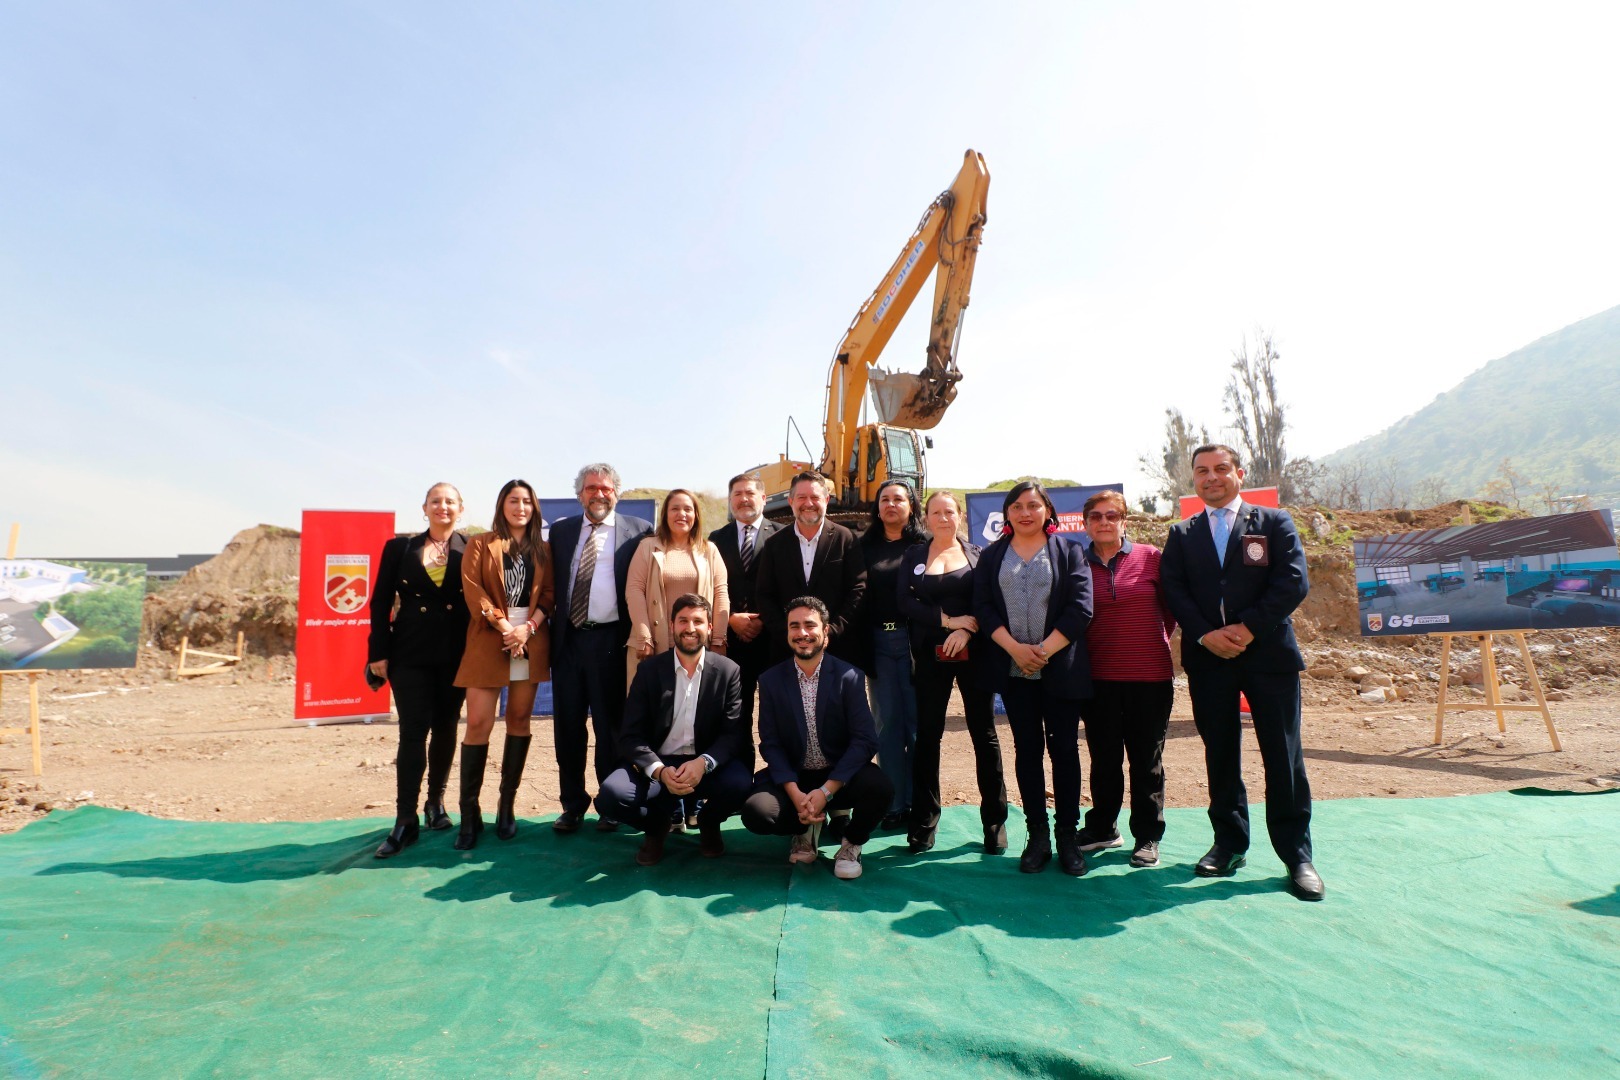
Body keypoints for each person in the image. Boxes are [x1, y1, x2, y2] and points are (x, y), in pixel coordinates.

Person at [1160, 444, 1322, 901]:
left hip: (1268, 657)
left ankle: (1297, 856)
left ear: (1239, 473)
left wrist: (1249, 629)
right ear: (1193, 478)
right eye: (1202, 471)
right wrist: (1205, 635)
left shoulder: (1273, 522)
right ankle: (1229, 844)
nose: (1211, 478)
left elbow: (1293, 582)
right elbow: (1174, 590)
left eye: (1220, 469)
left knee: (1283, 757)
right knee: (1221, 754)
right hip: (1209, 661)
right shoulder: (1182, 532)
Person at [973, 480, 1094, 876]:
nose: (1025, 512)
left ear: (1047, 511)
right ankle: (1037, 836)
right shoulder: (992, 557)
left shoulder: (1070, 551)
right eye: (1017, 506)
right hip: (1013, 671)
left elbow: (1081, 608)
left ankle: (1066, 837)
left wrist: (1042, 652)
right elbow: (984, 608)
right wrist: (1015, 650)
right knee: (1027, 753)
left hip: (1059, 669)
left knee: (1065, 753)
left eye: (1033, 505)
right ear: (1007, 514)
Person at [594, 595, 754, 865]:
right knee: (611, 796)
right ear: (672, 626)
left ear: (710, 628)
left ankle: (708, 822)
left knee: (740, 785)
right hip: (660, 765)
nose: (690, 628)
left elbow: (733, 733)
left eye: (698, 621)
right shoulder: (648, 671)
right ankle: (656, 827)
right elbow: (630, 736)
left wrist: (703, 764)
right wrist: (659, 771)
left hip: (703, 765)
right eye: (683, 621)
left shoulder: (729, 671)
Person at [741, 597, 892, 880]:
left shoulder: (849, 676)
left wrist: (826, 792)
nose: (802, 633)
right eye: (794, 626)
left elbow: (865, 741)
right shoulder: (771, 680)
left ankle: (851, 843)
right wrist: (796, 794)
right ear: (787, 634)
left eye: (810, 625)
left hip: (838, 777)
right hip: (796, 778)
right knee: (757, 812)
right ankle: (803, 830)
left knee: (880, 788)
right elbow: (770, 743)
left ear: (825, 632)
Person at [898, 490, 1008, 855]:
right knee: (928, 738)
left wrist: (966, 629)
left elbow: (988, 600)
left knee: (983, 734)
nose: (943, 518)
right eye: (936, 512)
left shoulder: (980, 555)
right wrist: (947, 622)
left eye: (949, 512)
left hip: (975, 655)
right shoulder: (913, 555)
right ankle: (923, 824)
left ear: (959, 516)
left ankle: (995, 822)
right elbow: (905, 602)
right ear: (926, 518)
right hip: (930, 657)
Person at [548, 463, 654, 834]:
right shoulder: (560, 533)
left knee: (611, 730)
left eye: (606, 488)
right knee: (568, 729)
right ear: (580, 495)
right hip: (569, 642)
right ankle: (572, 805)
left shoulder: (638, 532)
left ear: (617, 493)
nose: (599, 494)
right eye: (591, 488)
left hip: (613, 641)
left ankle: (610, 806)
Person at [367, 482, 471, 858]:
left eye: (450, 502)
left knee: (446, 728)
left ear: (461, 509)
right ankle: (404, 819)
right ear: (424, 508)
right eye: (436, 501)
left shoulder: (472, 548)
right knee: (413, 732)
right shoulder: (400, 548)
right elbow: (379, 602)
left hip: (455, 654)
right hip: (408, 653)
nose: (443, 507)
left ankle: (435, 803)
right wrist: (377, 651)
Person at [1073, 490, 1176, 869]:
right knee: (1104, 759)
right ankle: (1103, 828)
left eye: (1111, 516)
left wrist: (1145, 645)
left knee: (1146, 760)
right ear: (1085, 523)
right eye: (1096, 516)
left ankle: (1147, 836)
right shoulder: (1075, 563)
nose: (1104, 522)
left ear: (1124, 521)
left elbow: (1170, 613)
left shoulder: (1151, 558)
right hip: (1097, 678)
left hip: (1149, 677)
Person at [452, 479, 555, 851]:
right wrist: (503, 626)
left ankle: (506, 805)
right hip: (488, 639)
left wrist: (527, 628)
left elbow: (548, 596)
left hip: (528, 642)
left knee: (518, 720)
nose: (520, 507)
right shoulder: (480, 543)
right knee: (478, 722)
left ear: (534, 508)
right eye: (514, 500)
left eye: (527, 501)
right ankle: (468, 813)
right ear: (502, 504)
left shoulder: (543, 549)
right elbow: (473, 590)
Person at [859, 478, 928, 830]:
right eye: (884, 499)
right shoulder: (864, 546)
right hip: (879, 644)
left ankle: (921, 803)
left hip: (918, 645)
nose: (891, 505)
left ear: (911, 506)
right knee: (887, 726)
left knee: (918, 727)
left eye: (898, 499)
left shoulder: (925, 545)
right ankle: (894, 803)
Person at [754, 471, 866, 667]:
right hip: (786, 652)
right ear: (791, 501)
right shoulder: (774, 545)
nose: (808, 503)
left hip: (836, 650)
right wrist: (788, 633)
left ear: (826, 499)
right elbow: (764, 594)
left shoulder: (845, 539)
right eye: (801, 497)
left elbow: (858, 589)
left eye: (815, 497)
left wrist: (831, 631)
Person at [625, 488, 730, 686]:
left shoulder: (710, 550)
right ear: (665, 514)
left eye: (687, 509)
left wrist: (718, 639)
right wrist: (644, 637)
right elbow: (634, 590)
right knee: (653, 710)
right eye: (675, 509)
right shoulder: (647, 547)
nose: (681, 514)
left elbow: (720, 593)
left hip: (696, 644)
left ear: (695, 516)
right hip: (654, 645)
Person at [708, 473, 782, 730]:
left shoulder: (783, 536)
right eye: (737, 494)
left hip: (773, 641)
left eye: (749, 493)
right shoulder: (715, 539)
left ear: (763, 498)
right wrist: (730, 619)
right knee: (734, 719)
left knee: (777, 718)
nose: (743, 499)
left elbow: (787, 587)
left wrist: (764, 619)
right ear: (730, 501)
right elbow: (708, 588)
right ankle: (740, 770)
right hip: (731, 642)